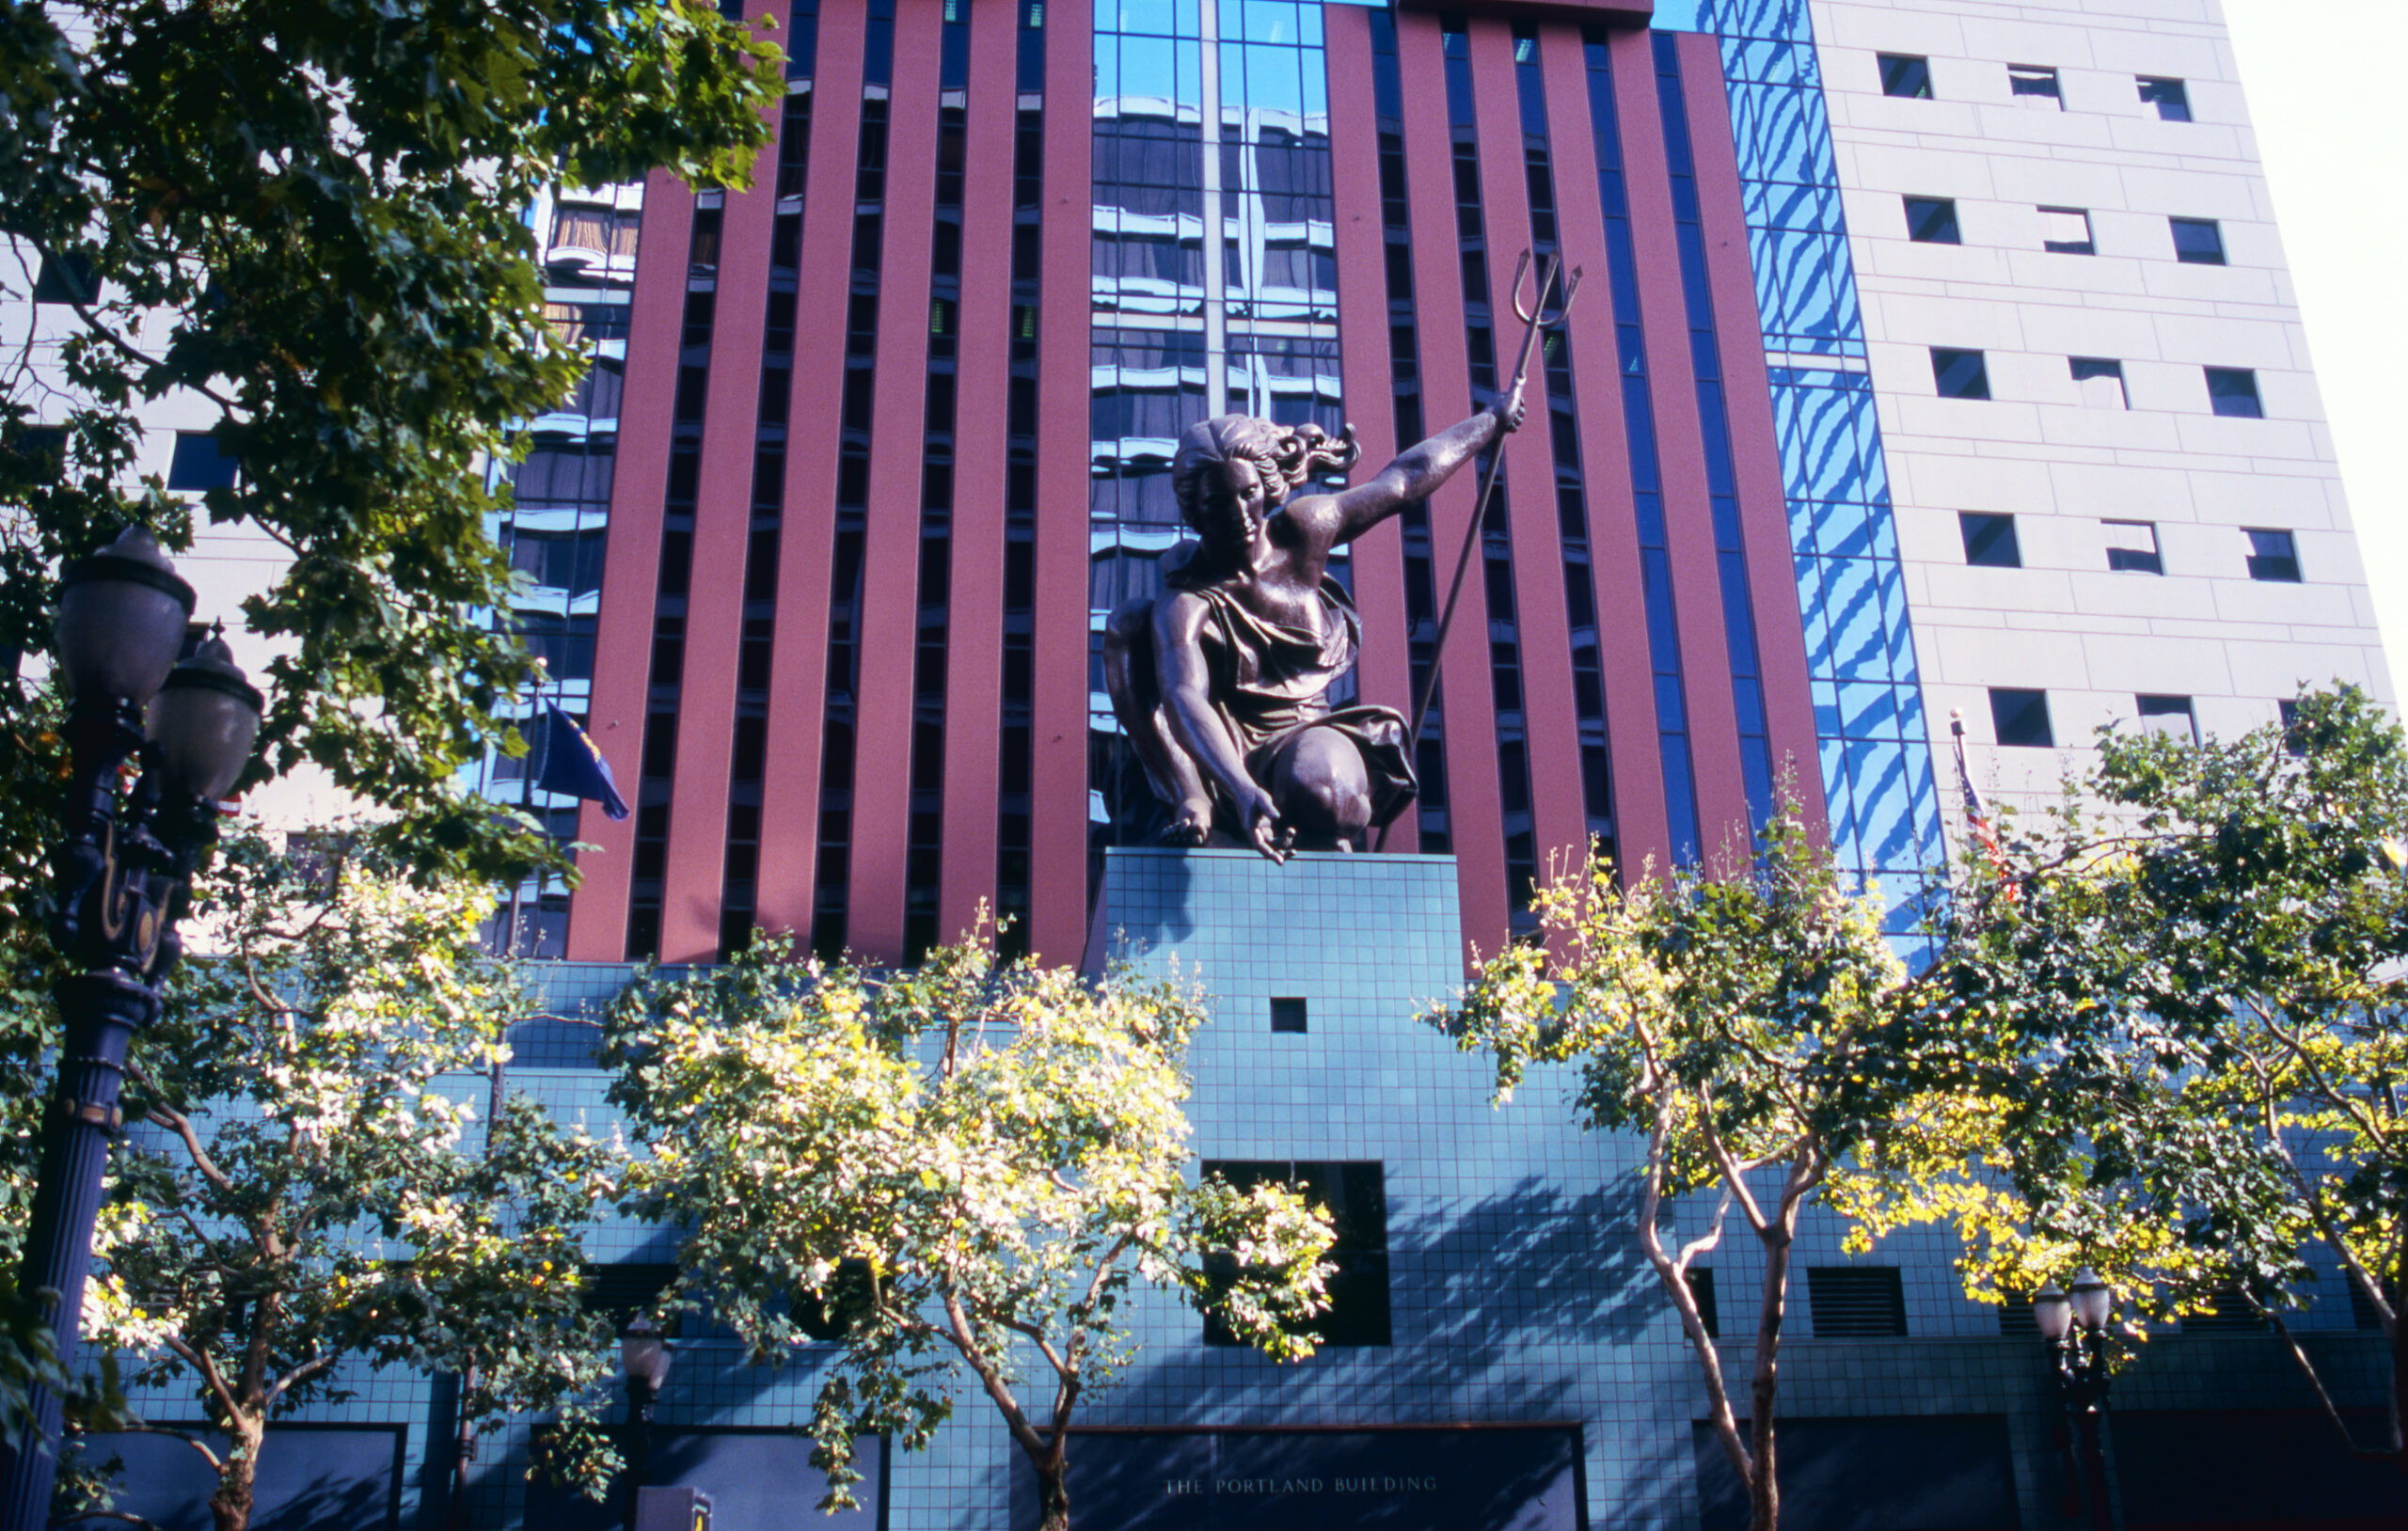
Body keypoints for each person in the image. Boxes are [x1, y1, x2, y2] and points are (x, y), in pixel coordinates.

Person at [1103, 396, 1524, 860]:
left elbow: (1403, 482)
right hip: (1222, 753)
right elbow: (1183, 696)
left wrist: (1490, 422)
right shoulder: (1184, 602)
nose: (1240, 514)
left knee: (1328, 797)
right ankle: (1193, 797)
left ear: (1267, 484)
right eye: (1218, 503)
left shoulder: (1304, 531)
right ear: (1196, 511)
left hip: (1306, 731)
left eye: (1248, 494)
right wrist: (1242, 790)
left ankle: (1304, 814)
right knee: (1126, 626)